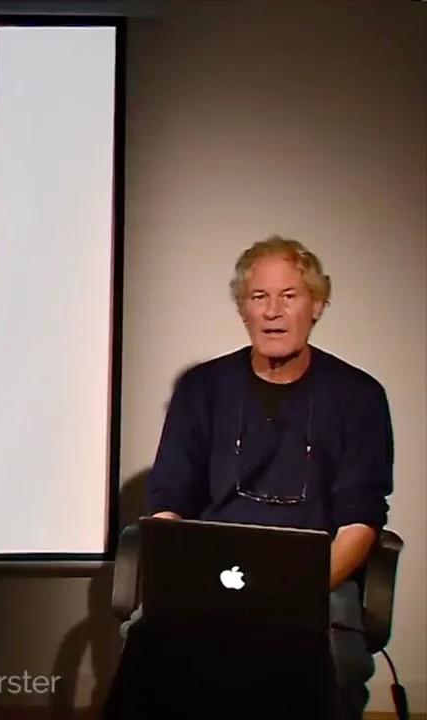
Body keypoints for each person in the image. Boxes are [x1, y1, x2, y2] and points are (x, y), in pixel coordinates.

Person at [129, 235, 392, 720]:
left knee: (339, 667)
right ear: (243, 310)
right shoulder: (201, 389)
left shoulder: (359, 397)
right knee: (148, 648)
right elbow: (169, 498)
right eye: (259, 297)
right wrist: (188, 582)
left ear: (317, 305)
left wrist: (296, 593)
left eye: (289, 297)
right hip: (212, 580)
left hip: (316, 586)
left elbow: (361, 519)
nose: (273, 311)